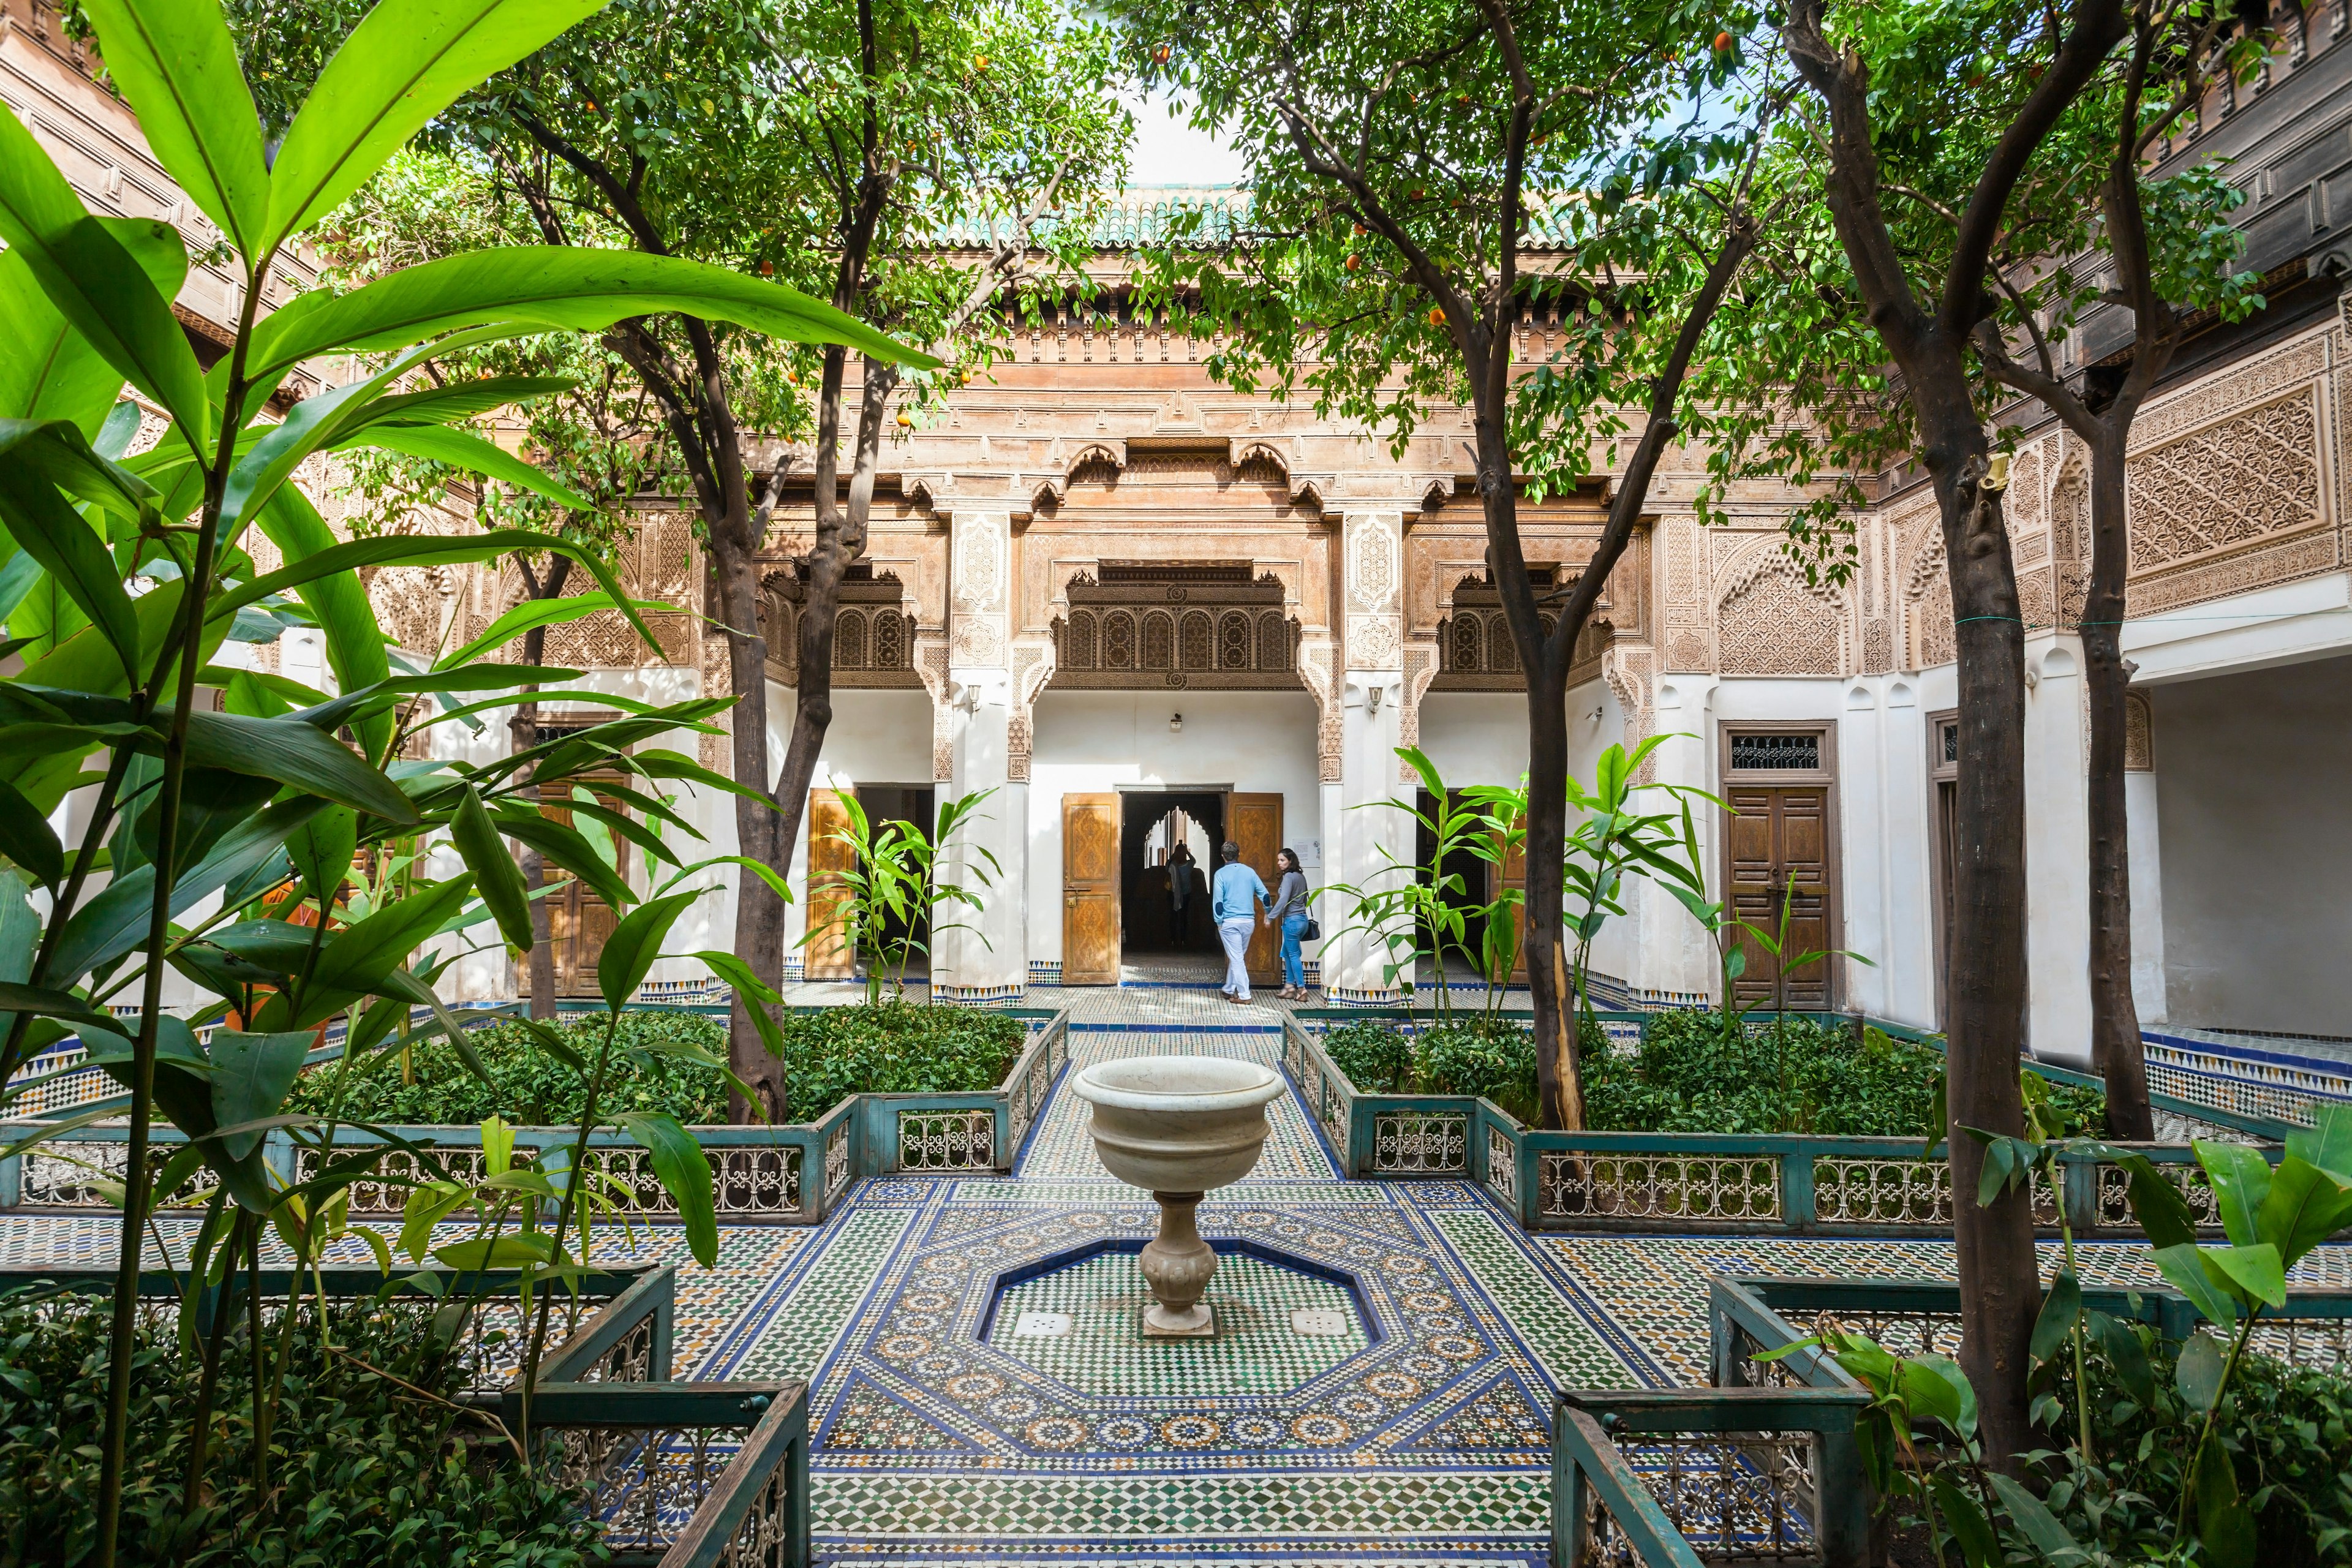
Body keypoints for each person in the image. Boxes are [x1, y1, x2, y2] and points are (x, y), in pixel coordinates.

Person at [1210, 840, 1268, 1003]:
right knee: (1237, 956)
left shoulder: (1221, 874)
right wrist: (1268, 913)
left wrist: (1219, 922)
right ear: (1239, 854)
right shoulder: (1250, 872)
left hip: (1230, 922)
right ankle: (1229, 989)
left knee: (1236, 958)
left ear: (1223, 856)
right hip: (1248, 922)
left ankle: (1244, 995)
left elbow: (1218, 903)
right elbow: (1265, 895)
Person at [1267, 847, 1313, 1001]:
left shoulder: (1288, 878)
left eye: (1282, 860)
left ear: (1290, 861)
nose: (1279, 863)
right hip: (1303, 920)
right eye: (1279, 860)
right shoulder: (1301, 876)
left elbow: (1283, 899)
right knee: (1287, 953)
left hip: (1292, 921)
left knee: (1293, 955)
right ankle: (1289, 987)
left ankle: (1302, 990)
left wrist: (1271, 916)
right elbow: (1305, 898)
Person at [1167, 841, 1199, 946]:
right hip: (1186, 894)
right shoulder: (1189, 865)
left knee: (1173, 917)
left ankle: (1173, 939)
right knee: (1184, 917)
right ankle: (1183, 940)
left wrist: (1174, 855)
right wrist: (1187, 852)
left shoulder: (1173, 865)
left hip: (1174, 894)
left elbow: (1167, 865)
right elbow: (1194, 860)